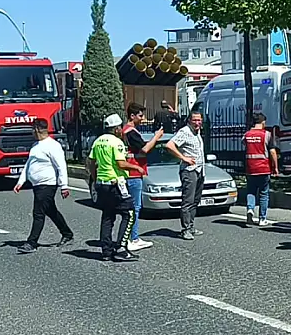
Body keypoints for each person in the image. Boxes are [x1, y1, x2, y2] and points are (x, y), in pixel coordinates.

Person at [14, 118, 73, 254]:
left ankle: (32, 242)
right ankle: (67, 234)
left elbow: (61, 166)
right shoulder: (36, 146)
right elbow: (29, 165)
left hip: (48, 184)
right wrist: (20, 182)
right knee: (50, 210)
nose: (31, 132)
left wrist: (64, 185)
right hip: (37, 184)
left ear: (37, 129)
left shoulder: (52, 145)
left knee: (38, 213)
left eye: (32, 129)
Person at [87, 114, 137, 262]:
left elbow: (91, 162)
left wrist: (96, 179)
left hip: (102, 184)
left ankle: (106, 251)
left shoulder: (98, 141)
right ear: (116, 129)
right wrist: (136, 167)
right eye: (120, 127)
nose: (121, 130)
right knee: (129, 213)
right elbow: (121, 164)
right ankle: (121, 248)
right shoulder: (116, 143)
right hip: (116, 183)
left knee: (108, 216)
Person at [122, 103, 165, 251]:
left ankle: (128, 237)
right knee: (135, 207)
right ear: (132, 116)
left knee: (130, 207)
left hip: (130, 172)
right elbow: (145, 149)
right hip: (134, 173)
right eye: (140, 115)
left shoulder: (125, 131)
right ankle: (133, 238)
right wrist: (156, 137)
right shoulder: (131, 132)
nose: (143, 118)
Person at [166, 111, 206, 240]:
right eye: (194, 120)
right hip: (189, 170)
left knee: (195, 200)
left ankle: (191, 226)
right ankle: (185, 229)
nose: (197, 123)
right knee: (188, 201)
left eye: (199, 120)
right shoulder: (184, 132)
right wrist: (184, 158)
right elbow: (170, 145)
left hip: (200, 170)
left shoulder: (197, 132)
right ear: (189, 120)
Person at [243, 112, 279, 227]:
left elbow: (244, 145)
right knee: (264, 194)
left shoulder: (247, 135)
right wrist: (276, 167)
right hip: (263, 168)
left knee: (251, 191)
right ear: (263, 122)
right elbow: (272, 152)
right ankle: (262, 219)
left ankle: (250, 209)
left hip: (250, 168)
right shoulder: (267, 135)